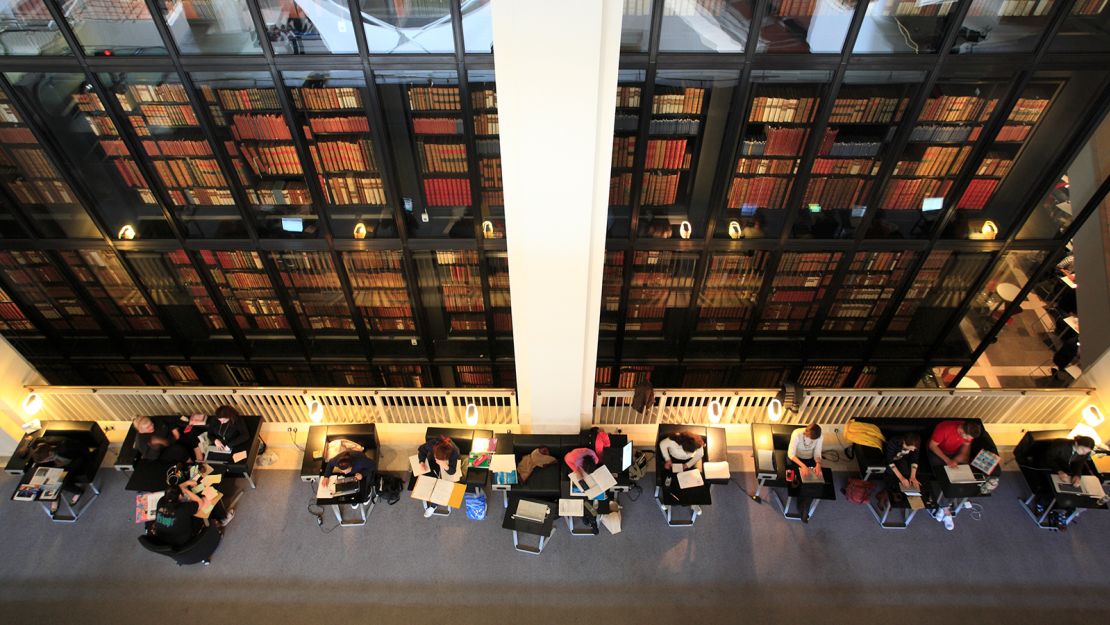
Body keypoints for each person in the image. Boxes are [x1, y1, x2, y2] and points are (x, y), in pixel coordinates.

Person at [30, 436, 88, 511]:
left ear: (50, 454)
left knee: (60, 481)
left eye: (46, 460)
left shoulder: (64, 450)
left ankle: (77, 492)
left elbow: (77, 456)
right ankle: (54, 495)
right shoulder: (40, 445)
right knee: (42, 474)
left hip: (75, 460)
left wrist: (60, 467)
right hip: (59, 460)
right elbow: (32, 441)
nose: (45, 461)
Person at [133, 416, 199, 463]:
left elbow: (169, 419)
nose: (152, 427)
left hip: (172, 438)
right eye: (148, 427)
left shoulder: (155, 419)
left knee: (191, 430)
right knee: (177, 450)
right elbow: (151, 457)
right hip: (163, 452)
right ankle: (191, 463)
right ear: (140, 430)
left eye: (151, 424)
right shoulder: (141, 441)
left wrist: (173, 429)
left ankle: (199, 457)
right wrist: (159, 443)